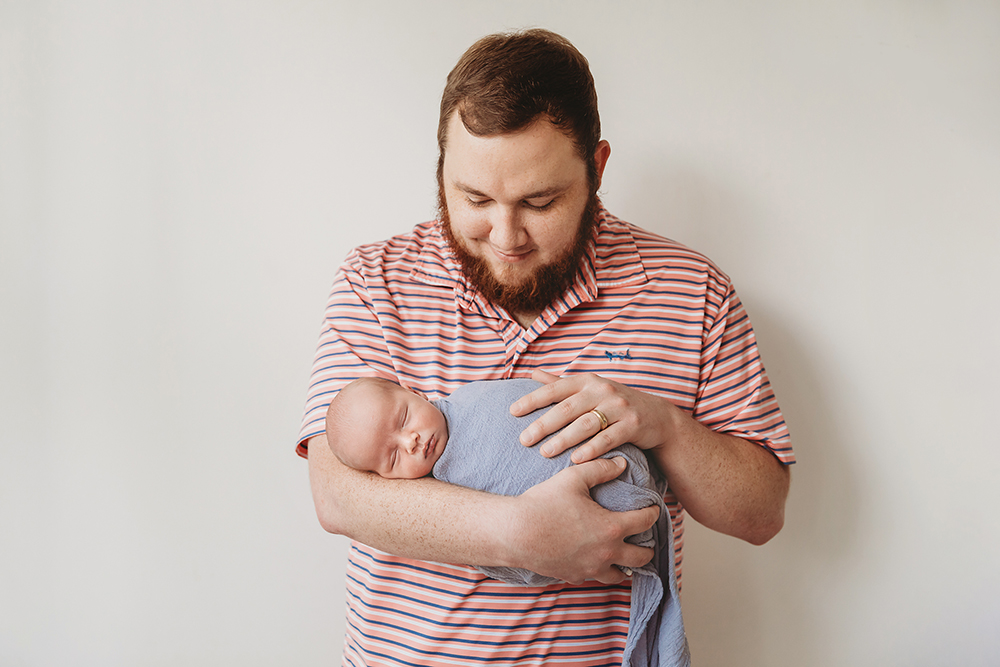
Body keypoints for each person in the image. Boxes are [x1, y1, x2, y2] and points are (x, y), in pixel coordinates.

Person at [298, 28, 794, 666]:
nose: (505, 236)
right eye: (474, 198)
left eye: (539, 202)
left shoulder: (691, 292)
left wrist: (667, 428)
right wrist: (516, 536)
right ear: (441, 167)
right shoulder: (376, 279)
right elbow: (337, 495)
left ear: (598, 166)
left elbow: (761, 515)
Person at [324, 376, 689, 665]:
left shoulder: (473, 400)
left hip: (620, 468)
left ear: (413, 391)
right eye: (391, 458)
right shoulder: (445, 483)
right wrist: (523, 533)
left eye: (404, 418)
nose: (412, 441)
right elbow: (333, 501)